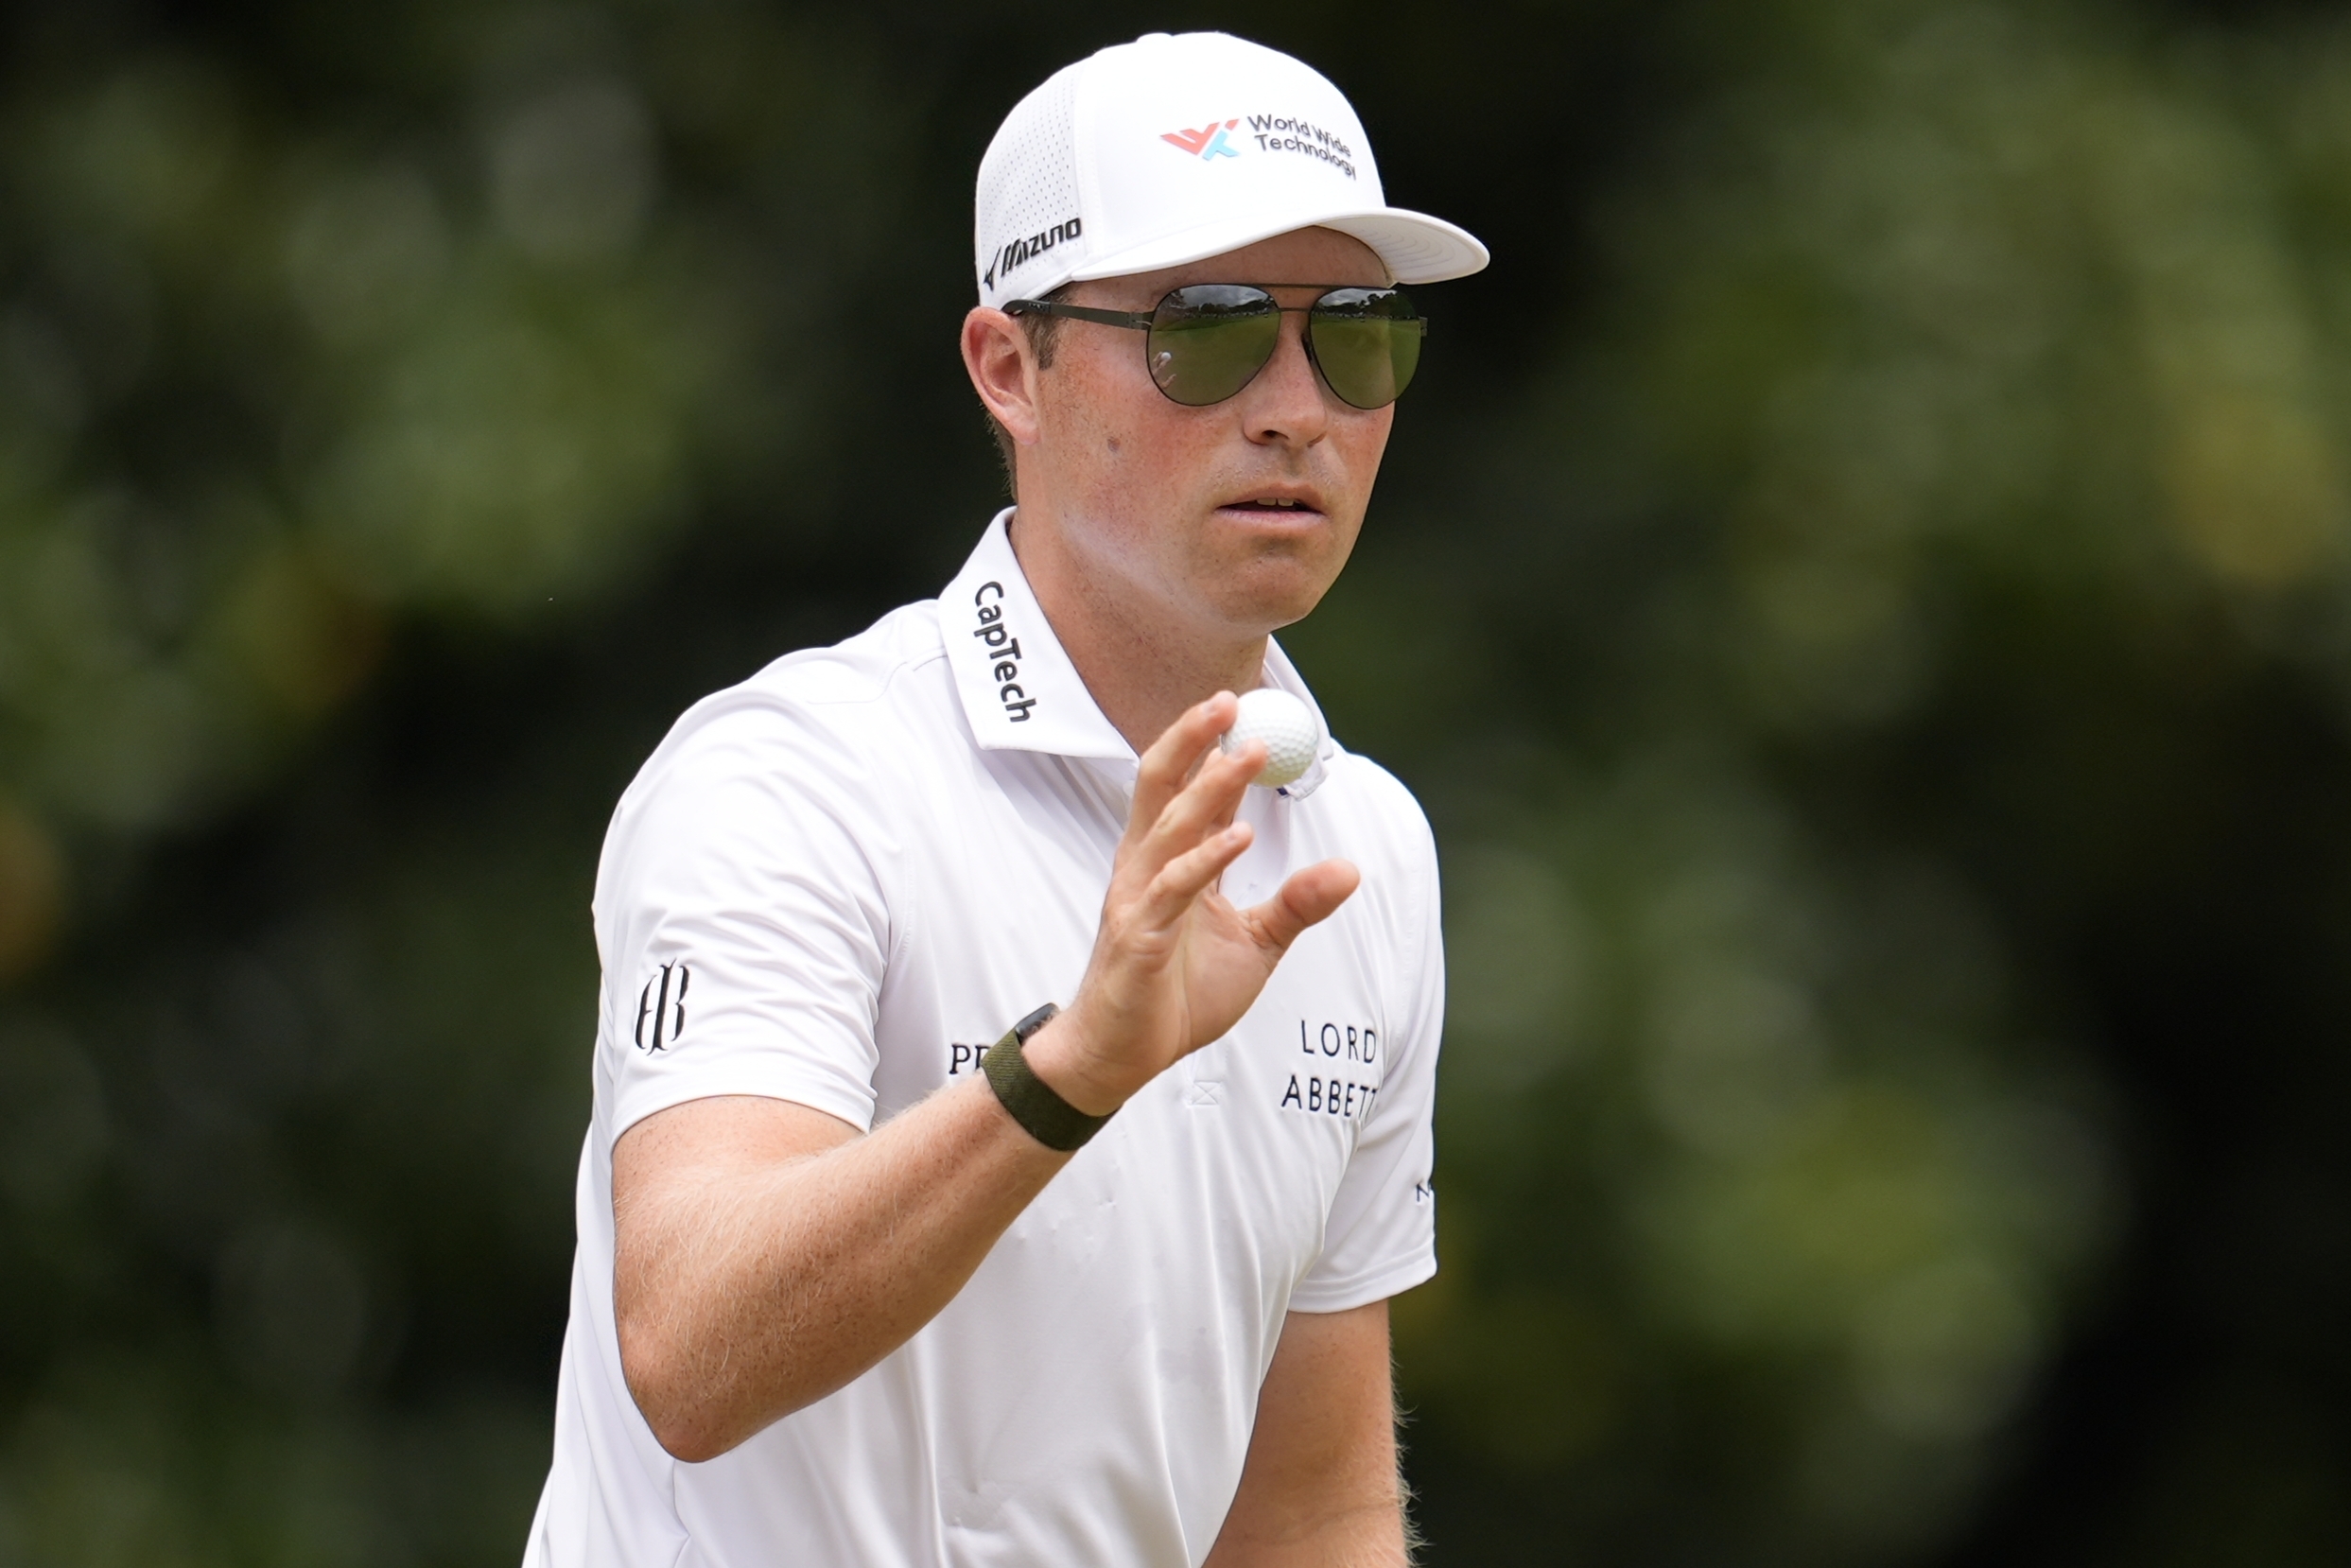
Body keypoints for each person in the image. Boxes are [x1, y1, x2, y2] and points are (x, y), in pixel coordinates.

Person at [523, 29, 1488, 1568]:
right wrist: (1072, 1069)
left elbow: (1307, 1511)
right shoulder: (793, 773)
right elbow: (690, 1349)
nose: (1296, 407)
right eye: (1210, 330)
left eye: (1354, 336)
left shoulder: (1361, 846)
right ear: (1007, 368)